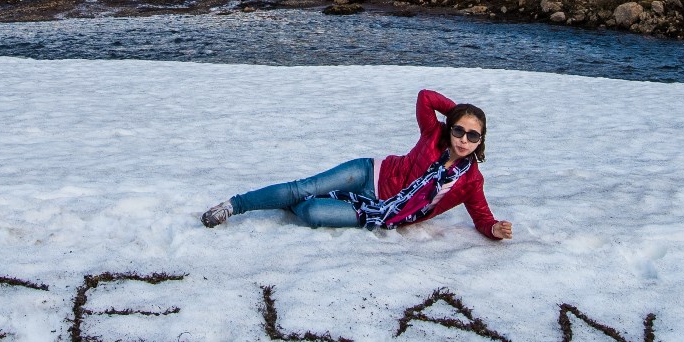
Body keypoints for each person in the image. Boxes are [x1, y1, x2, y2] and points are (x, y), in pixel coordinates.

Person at [202, 88, 513, 239]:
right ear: (450, 127)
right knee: (304, 187)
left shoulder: (471, 181)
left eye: (473, 136)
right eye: (459, 129)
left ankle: (288, 201)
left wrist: (494, 229)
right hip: (369, 172)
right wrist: (458, 111)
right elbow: (425, 97)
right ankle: (234, 205)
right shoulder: (434, 135)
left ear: (480, 142)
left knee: (311, 211)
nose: (463, 139)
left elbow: (482, 217)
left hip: (378, 210)